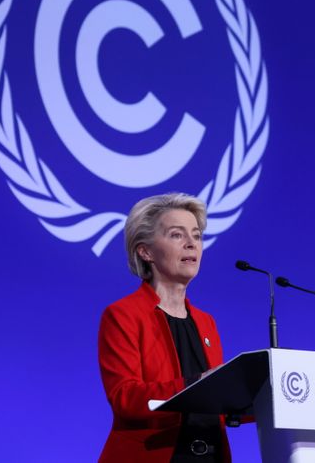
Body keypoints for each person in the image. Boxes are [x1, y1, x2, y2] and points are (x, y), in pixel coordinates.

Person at [98, 193, 230, 462]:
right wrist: (199, 384)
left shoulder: (207, 322)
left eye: (196, 235)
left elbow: (219, 408)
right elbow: (126, 399)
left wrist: (259, 395)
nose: (192, 244)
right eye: (176, 235)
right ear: (145, 251)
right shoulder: (123, 315)